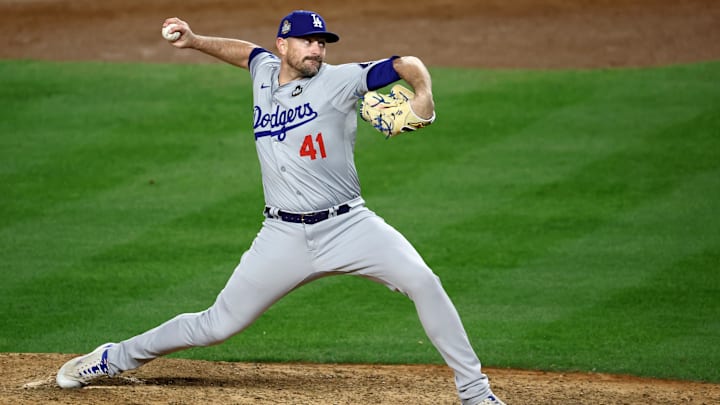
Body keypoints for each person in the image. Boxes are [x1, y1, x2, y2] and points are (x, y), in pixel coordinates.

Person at [56, 10, 506, 405]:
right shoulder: (265, 71)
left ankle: (474, 392)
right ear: (283, 45)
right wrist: (194, 41)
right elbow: (246, 53)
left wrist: (422, 95)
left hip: (349, 224)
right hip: (283, 236)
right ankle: (111, 358)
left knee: (423, 281)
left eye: (322, 42)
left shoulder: (341, 79)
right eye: (309, 41)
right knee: (216, 325)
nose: (317, 49)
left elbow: (407, 63)